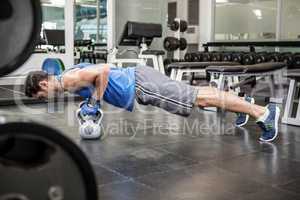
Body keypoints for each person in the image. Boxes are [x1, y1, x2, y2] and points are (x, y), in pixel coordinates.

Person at [24, 64, 280, 142]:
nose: (46, 100)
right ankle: (243, 103)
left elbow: (102, 71)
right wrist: (89, 102)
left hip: (141, 84)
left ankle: (263, 112)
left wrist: (97, 102)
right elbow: (94, 80)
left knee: (198, 99)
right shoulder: (66, 77)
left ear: (43, 85)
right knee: (197, 95)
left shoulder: (67, 79)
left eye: (41, 96)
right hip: (139, 79)